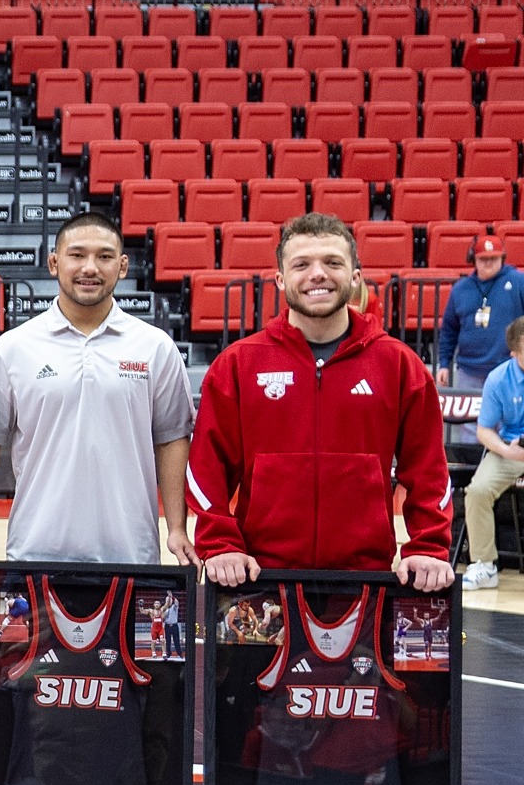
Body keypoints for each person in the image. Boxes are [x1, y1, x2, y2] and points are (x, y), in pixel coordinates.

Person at [188, 213, 453, 591]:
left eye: (332, 263)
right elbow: (206, 465)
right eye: (301, 265)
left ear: (355, 278)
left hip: (366, 578)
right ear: (280, 280)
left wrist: (427, 546)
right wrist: (220, 545)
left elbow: (429, 468)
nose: (317, 274)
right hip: (257, 578)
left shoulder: (398, 365)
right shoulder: (238, 364)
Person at [0, 210, 196, 568]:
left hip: (131, 553)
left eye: (105, 257)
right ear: (54, 263)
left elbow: (172, 440)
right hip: (35, 551)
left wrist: (176, 528)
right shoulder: (14, 347)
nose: (90, 268)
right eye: (77, 255)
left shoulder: (155, 347)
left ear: (123, 267)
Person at [460, 316, 524, 590]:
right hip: (512, 449)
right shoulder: (499, 379)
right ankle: (484, 565)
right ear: (514, 352)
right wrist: (506, 452)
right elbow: (484, 431)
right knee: (477, 491)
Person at [438, 236, 524, 440]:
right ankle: (472, 472)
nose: (488, 263)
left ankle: (509, 469)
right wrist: (443, 362)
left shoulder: (518, 281)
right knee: (471, 430)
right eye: (483, 259)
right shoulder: (461, 289)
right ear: (473, 260)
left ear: (502, 258)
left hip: (508, 369)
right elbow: (449, 329)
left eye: (494, 258)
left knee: (510, 425)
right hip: (470, 370)